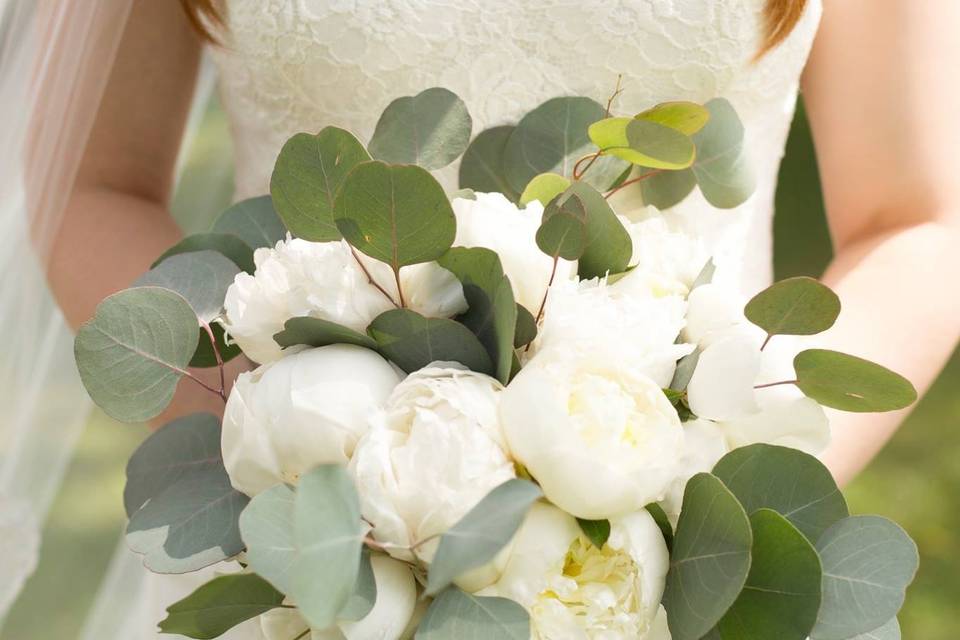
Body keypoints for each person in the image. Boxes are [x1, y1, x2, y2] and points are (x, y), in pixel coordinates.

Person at [5, 0, 959, 637]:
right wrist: (327, 478)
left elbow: (919, 218)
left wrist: (680, 501)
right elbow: (87, 182)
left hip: (663, 589)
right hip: (315, 576)